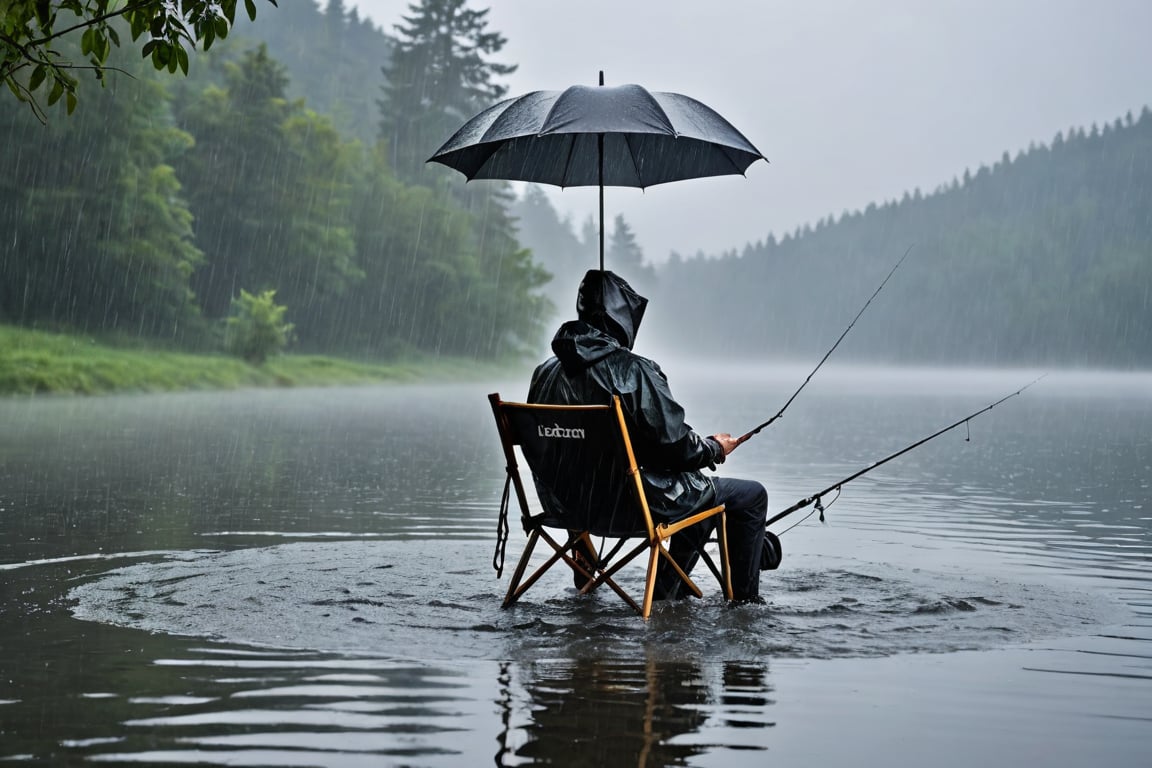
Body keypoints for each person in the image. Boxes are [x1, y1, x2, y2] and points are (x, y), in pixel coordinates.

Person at [528, 269, 769, 603]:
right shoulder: (634, 371)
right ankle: (745, 607)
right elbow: (678, 448)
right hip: (628, 507)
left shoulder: (544, 374)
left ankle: (670, 591)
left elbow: (541, 450)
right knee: (750, 495)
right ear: (621, 318)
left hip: (565, 506)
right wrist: (715, 448)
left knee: (700, 495)